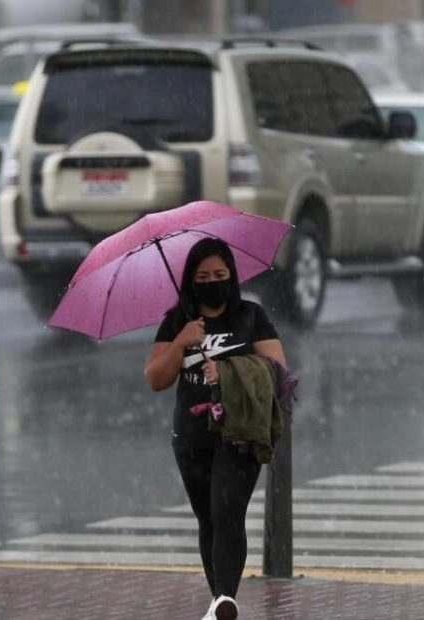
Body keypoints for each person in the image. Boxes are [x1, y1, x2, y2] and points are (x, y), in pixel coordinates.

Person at [144, 237, 287, 620]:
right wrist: (181, 342)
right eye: (203, 275)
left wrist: (224, 373)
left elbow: (277, 374)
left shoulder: (251, 317)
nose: (212, 281)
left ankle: (226, 597)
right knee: (207, 516)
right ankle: (219, 603)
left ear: (232, 276)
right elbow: (155, 378)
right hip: (191, 436)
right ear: (192, 281)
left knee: (227, 510)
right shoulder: (179, 321)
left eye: (220, 274)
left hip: (238, 432)